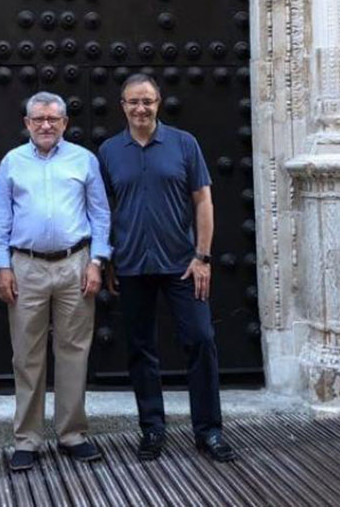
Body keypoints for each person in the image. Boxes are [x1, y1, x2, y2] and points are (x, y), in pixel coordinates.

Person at [97, 73, 237, 463]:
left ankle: (208, 431)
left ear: (159, 102)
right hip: (132, 265)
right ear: (122, 106)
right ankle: (153, 428)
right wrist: (108, 257)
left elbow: (203, 201)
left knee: (201, 339)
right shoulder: (109, 151)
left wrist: (203, 256)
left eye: (148, 101)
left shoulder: (184, 144)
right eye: (133, 102)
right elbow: (104, 208)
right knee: (141, 348)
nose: (140, 108)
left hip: (182, 265)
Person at [0, 92, 112, 471]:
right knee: (26, 355)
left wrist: (96, 261)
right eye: (38, 119)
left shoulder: (83, 160)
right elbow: (0, 217)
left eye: (53, 120)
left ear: (64, 124)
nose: (46, 125)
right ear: (26, 123)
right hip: (25, 267)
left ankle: (72, 434)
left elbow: (100, 215)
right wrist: (2, 266)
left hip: (75, 264)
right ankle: (27, 439)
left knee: (74, 351)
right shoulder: (13, 162)